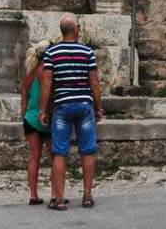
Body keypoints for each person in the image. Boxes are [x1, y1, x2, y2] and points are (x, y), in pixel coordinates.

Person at [39, 14, 104, 211]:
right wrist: (98, 107)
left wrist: (43, 109)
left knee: (59, 152)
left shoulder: (51, 53)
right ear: (75, 30)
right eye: (79, 27)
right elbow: (94, 82)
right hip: (84, 105)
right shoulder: (87, 52)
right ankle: (87, 196)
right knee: (88, 150)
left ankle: (59, 199)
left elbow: (47, 83)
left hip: (62, 106)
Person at [20, 40, 53, 206]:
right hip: (45, 118)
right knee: (56, 156)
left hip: (29, 119)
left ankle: (33, 194)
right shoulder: (46, 72)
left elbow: (23, 102)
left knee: (34, 157)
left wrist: (23, 120)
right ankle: (56, 193)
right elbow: (47, 95)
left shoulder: (29, 75)